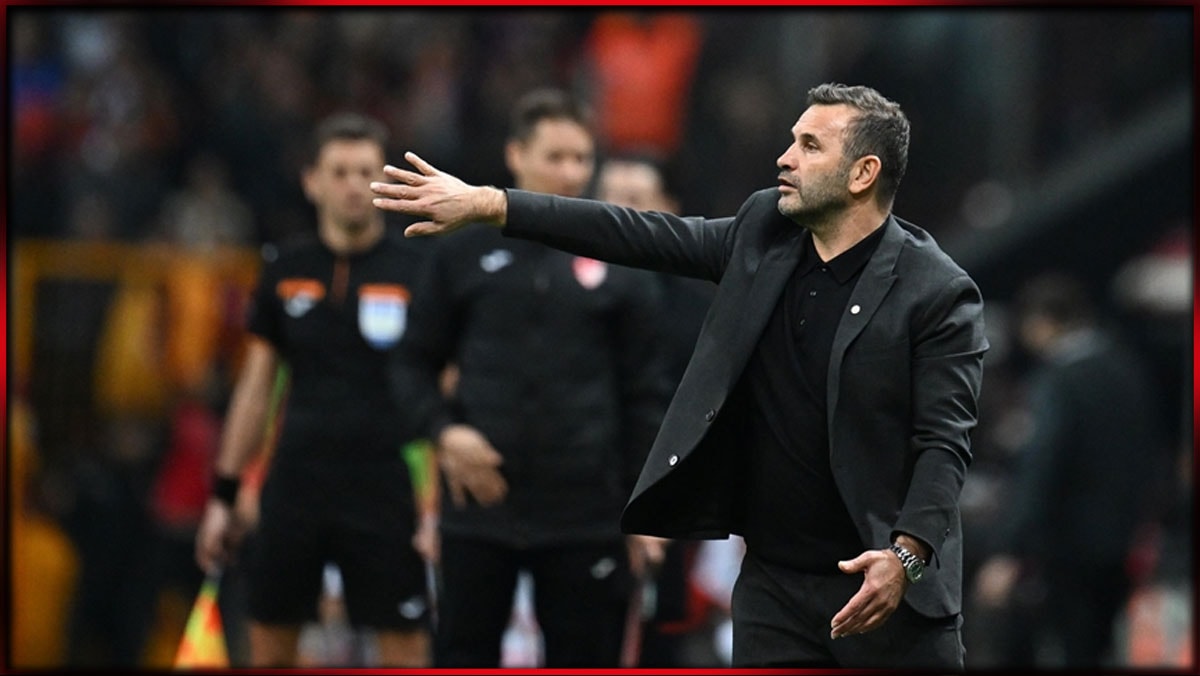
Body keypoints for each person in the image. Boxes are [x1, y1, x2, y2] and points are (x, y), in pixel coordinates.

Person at [372, 82, 989, 670]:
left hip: (883, 586)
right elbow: (634, 232)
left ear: (862, 174)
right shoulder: (764, 234)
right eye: (791, 140)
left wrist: (906, 556)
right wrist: (492, 203)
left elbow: (943, 443)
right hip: (774, 587)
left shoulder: (935, 291)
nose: (785, 158)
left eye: (810, 146)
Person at [388, 88, 671, 667]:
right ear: (515, 154)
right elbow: (412, 362)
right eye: (555, 156)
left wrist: (648, 507)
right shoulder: (461, 251)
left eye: (581, 158)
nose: (570, 172)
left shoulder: (621, 255)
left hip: (586, 514)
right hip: (479, 507)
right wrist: (444, 433)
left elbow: (647, 395)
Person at [194, 112, 433, 667]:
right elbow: (255, 389)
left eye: (366, 172)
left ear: (384, 182)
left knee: (406, 652)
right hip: (295, 483)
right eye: (339, 172)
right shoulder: (284, 268)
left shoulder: (417, 270)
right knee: (270, 649)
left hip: (384, 487)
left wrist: (435, 508)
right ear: (312, 182)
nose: (353, 185)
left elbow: (441, 389)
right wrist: (224, 496)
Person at [972, 273, 1170, 668]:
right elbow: (1150, 454)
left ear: (1042, 322)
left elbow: (1042, 467)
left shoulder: (1059, 381)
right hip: (1127, 538)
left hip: (1068, 547)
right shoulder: (1127, 368)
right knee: (1104, 647)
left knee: (1066, 647)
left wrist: (1009, 548)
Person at [594, 156, 718, 667]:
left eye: (636, 200)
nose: (622, 214)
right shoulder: (560, 292)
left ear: (669, 209)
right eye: (610, 198)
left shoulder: (704, 307)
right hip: (576, 500)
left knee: (657, 642)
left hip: (667, 502)